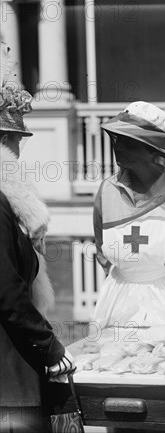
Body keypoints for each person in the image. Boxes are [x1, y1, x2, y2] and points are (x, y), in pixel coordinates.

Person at [92, 101, 165, 330]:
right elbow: (101, 243)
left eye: (130, 141)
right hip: (119, 294)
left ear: (152, 148)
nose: (119, 146)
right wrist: (129, 272)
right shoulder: (106, 190)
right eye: (118, 138)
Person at [0, 82, 73, 431]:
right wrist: (49, 347)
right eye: (16, 140)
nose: (20, 149)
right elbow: (7, 291)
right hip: (6, 374)